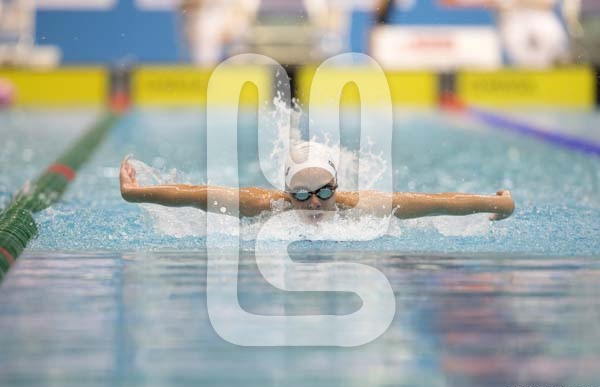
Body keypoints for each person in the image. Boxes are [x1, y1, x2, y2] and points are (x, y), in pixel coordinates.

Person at [120, 142, 515, 224]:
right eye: (301, 195)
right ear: (285, 193)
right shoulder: (263, 205)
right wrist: (135, 194)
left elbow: (437, 201)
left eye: (325, 192)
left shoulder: (360, 206)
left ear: (337, 186)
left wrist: (499, 203)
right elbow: (194, 195)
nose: (313, 204)